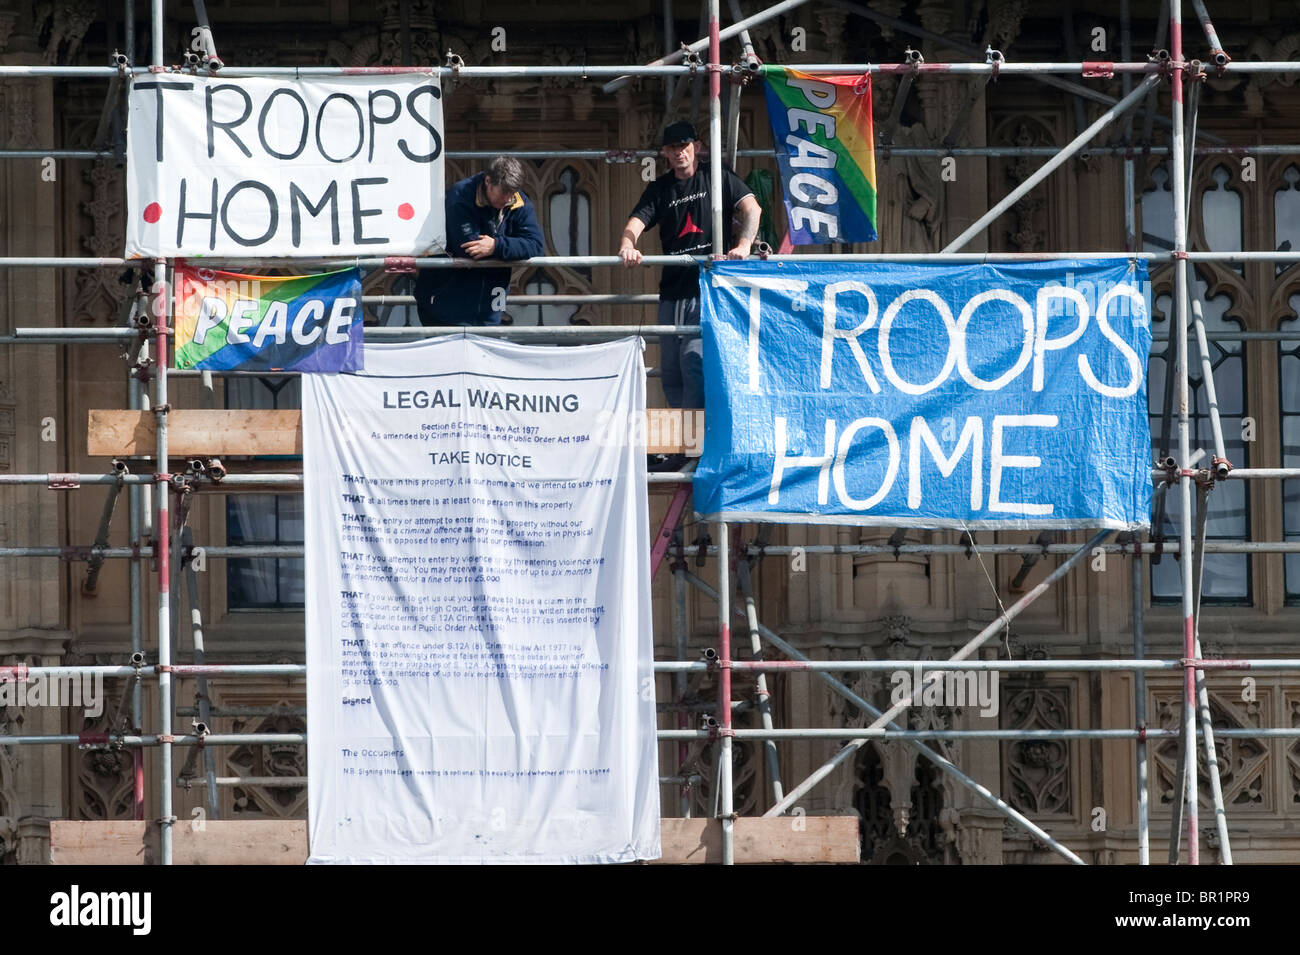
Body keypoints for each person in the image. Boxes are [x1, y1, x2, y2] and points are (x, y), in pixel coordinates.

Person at [619, 121, 761, 409]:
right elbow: (636, 222)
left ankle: (697, 445)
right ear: (665, 153)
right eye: (673, 147)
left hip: (705, 289)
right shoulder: (660, 189)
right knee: (671, 372)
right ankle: (684, 444)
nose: (680, 152)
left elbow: (752, 208)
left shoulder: (717, 177)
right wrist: (627, 245)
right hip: (672, 291)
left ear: (696, 147)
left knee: (693, 364)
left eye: (685, 146)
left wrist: (744, 245)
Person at [414, 156, 545, 326]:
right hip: (444, 305)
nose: (507, 199)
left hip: (489, 309)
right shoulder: (460, 196)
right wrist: (511, 247)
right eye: (503, 192)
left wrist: (495, 246)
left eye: (512, 193)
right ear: (488, 181)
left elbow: (536, 245)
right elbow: (469, 249)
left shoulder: (518, 201)